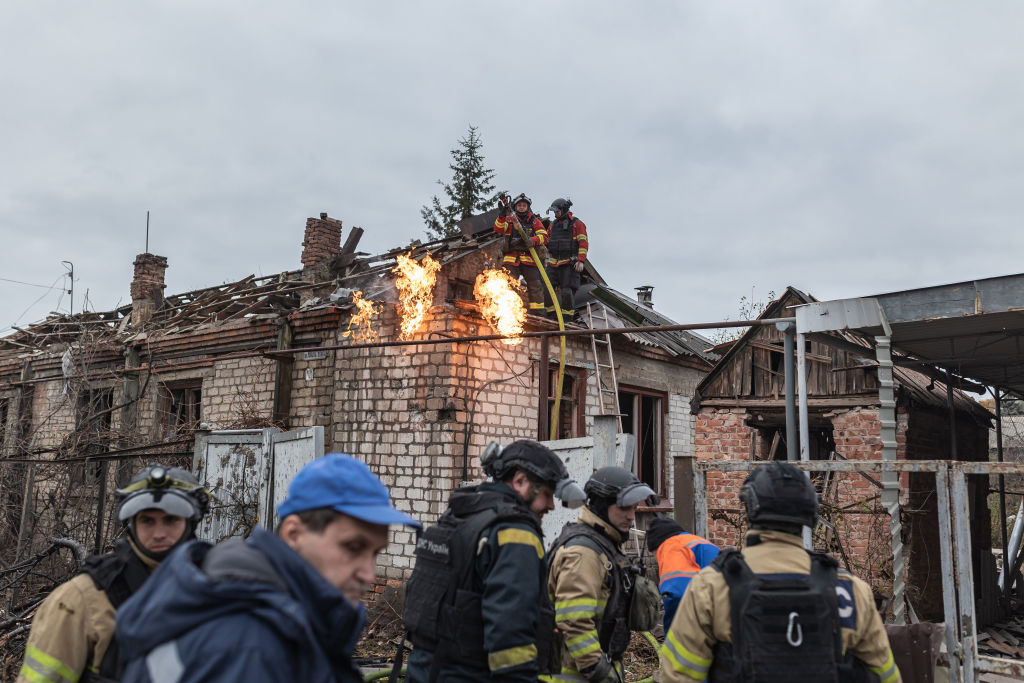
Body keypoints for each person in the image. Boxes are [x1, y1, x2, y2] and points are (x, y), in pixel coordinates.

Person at [115, 453, 421, 683]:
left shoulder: (285, 618)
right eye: (352, 547)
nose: (368, 573)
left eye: (375, 552)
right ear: (293, 534)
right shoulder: (252, 641)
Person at [659, 461, 901, 683]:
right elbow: (886, 675)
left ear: (750, 510)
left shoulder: (712, 587)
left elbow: (678, 676)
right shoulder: (850, 590)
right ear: (811, 515)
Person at [403, 440, 585, 682]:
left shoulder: (461, 515)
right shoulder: (515, 533)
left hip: (424, 669)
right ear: (520, 481)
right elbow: (511, 638)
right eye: (547, 494)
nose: (551, 505)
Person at [18, 464, 209, 683]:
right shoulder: (82, 598)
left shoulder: (216, 590)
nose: (159, 534)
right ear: (132, 525)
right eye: (147, 520)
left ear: (190, 523)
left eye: (171, 520)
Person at [543, 466, 658, 683]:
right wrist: (599, 671)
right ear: (603, 505)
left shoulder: (606, 544)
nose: (631, 516)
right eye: (625, 508)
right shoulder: (583, 552)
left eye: (634, 508)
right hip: (574, 675)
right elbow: (574, 620)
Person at [645, 517, 720, 634]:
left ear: (657, 546)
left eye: (655, 555)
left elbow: (676, 595)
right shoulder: (697, 542)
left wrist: (671, 637)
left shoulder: (671, 547)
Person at [494, 193, 549, 315]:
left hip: (529, 259)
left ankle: (538, 312)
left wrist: (532, 240)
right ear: (516, 206)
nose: (522, 207)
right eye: (519, 205)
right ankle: (508, 310)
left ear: (528, 207)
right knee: (509, 283)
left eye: (524, 205)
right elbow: (498, 229)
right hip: (511, 258)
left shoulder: (534, 221)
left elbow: (544, 237)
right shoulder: (509, 219)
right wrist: (501, 216)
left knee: (535, 286)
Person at [543, 198, 588, 322]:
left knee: (567, 292)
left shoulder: (577, 224)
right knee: (546, 287)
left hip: (569, 264)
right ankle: (551, 317)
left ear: (564, 209)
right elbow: (546, 240)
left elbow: (583, 243)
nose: (555, 213)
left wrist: (581, 260)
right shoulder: (553, 225)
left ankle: (567, 319)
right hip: (553, 264)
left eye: (556, 211)